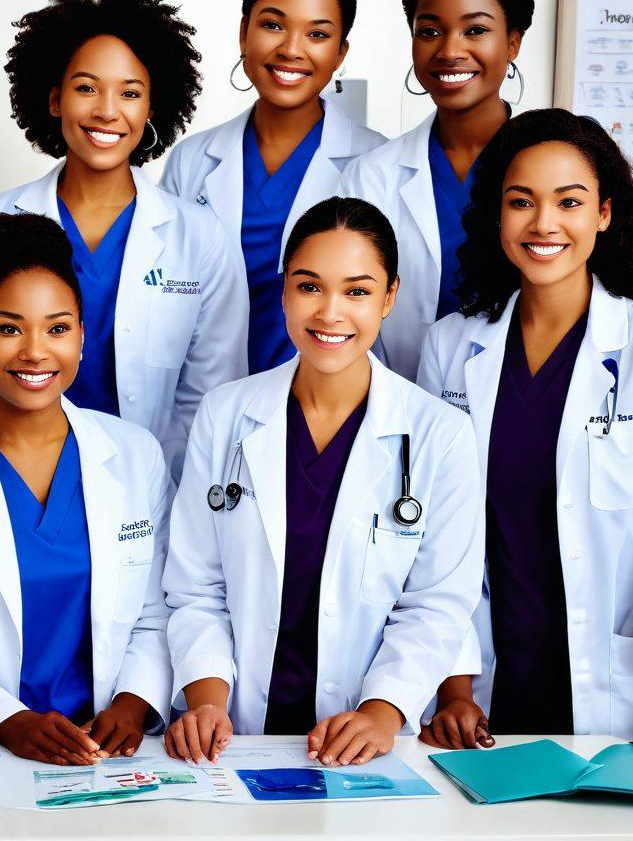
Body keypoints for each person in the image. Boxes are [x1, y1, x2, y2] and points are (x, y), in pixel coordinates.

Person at [163, 197, 482, 766]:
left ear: (389, 298)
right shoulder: (225, 414)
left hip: (369, 737)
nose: (330, 313)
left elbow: (436, 605)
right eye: (310, 287)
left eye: (357, 291)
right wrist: (207, 702)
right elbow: (194, 586)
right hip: (236, 735)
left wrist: (381, 715)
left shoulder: (441, 434)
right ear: (284, 291)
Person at [418, 109, 633, 753]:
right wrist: (455, 687)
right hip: (487, 673)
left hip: (619, 683)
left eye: (569, 202)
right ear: (496, 214)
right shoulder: (451, 348)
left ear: (604, 213)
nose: (543, 224)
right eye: (521, 202)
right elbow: (436, 533)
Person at [0, 213, 171, 763]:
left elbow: (158, 609)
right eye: (9, 328)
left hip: (111, 749)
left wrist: (131, 704)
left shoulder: (134, 454)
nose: (36, 351)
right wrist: (9, 723)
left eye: (57, 328)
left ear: (82, 336)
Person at [0, 0, 246, 480]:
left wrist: (177, 495)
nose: (107, 110)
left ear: (152, 108)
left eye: (130, 93)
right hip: (13, 476)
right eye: (86, 88)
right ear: (55, 99)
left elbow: (209, 396)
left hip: (150, 490)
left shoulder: (200, 238)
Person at [161, 0, 386, 375]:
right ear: (244, 32)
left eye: (318, 34)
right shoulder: (192, 161)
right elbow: (165, 300)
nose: (291, 49)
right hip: (204, 402)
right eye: (273, 25)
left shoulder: (375, 163)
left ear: (341, 53)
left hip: (324, 402)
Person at [342, 0, 534, 380]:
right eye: (429, 30)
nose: (449, 50)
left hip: (523, 401)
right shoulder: (370, 177)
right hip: (405, 409)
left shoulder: (556, 170)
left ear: (513, 42)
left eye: (475, 30)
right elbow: (352, 308)